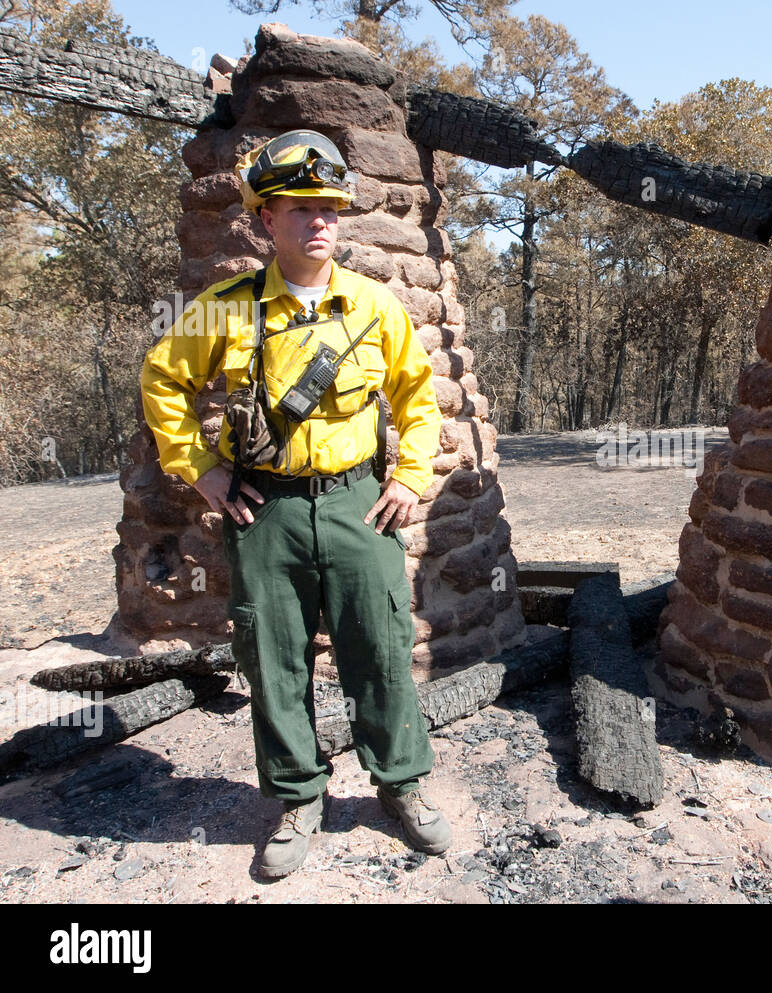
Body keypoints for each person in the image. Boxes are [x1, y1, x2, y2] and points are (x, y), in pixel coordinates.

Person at [140, 130, 452, 878]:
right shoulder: (224, 310)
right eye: (301, 208)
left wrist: (409, 477)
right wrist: (203, 471)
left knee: (380, 649)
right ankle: (297, 797)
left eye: (330, 209)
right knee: (274, 661)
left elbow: (416, 396)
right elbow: (162, 381)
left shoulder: (374, 305)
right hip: (266, 513)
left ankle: (401, 784)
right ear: (265, 220)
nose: (321, 221)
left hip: (357, 504)